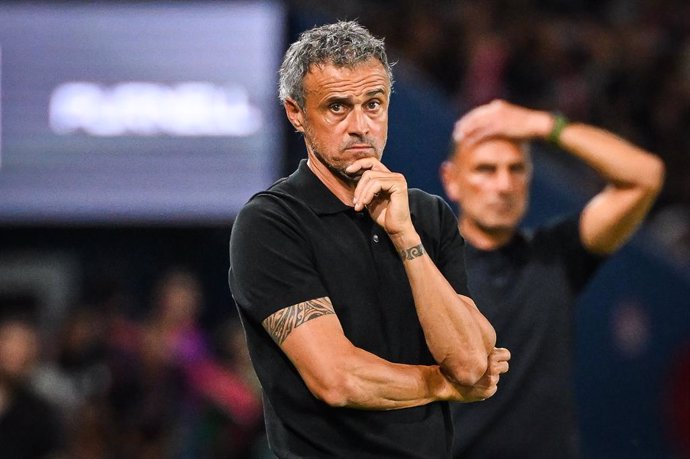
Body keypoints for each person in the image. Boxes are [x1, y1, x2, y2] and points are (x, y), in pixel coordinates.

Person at [228, 20, 510, 458]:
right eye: (338, 107)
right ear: (295, 112)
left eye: (374, 104)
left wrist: (404, 236)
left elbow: (473, 360)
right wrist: (445, 384)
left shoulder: (426, 215)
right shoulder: (271, 223)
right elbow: (338, 379)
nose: (361, 126)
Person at [440, 99, 665, 458]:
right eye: (486, 169)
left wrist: (545, 125)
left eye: (516, 169)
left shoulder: (556, 254)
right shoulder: (428, 269)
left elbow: (644, 176)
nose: (503, 185)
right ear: (452, 180)